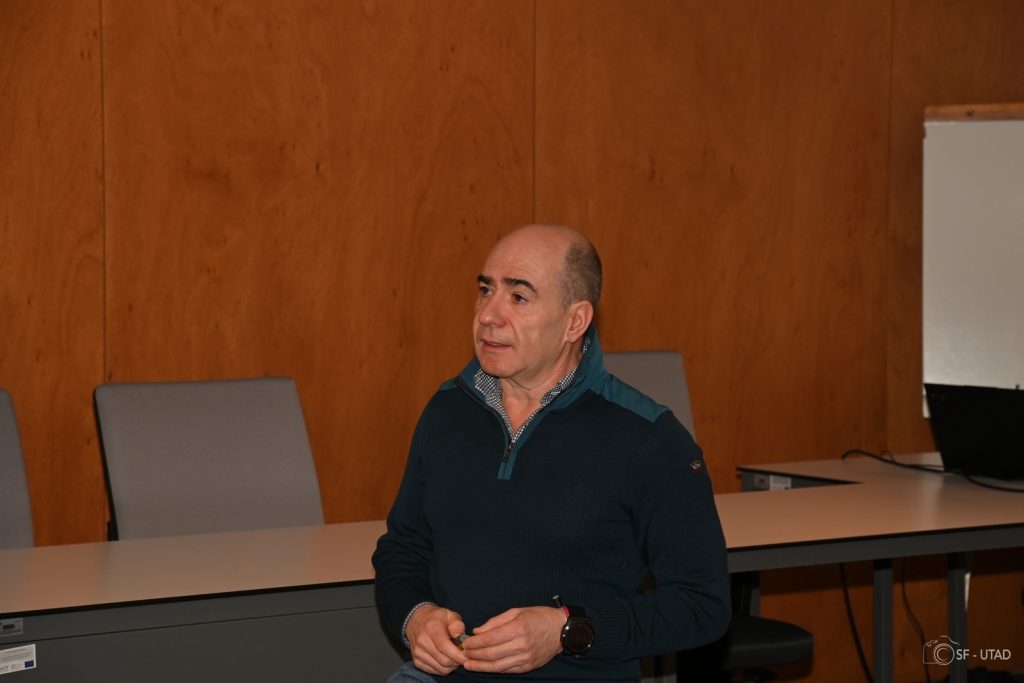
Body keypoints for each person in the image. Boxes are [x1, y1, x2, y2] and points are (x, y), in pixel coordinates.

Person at [373, 224, 730, 681]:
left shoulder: (649, 438)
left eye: (519, 297)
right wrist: (415, 616)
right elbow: (402, 548)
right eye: (486, 290)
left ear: (574, 322)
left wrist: (567, 630)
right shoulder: (448, 411)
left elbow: (702, 605)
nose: (489, 315)